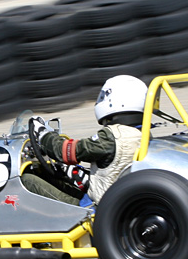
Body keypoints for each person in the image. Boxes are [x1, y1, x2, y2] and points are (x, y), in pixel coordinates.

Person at [21, 75, 148, 207]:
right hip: (113, 198)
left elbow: (64, 151)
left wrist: (42, 133)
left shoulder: (113, 136)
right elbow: (113, 168)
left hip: (93, 207)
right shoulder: (140, 134)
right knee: (56, 174)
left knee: (28, 180)